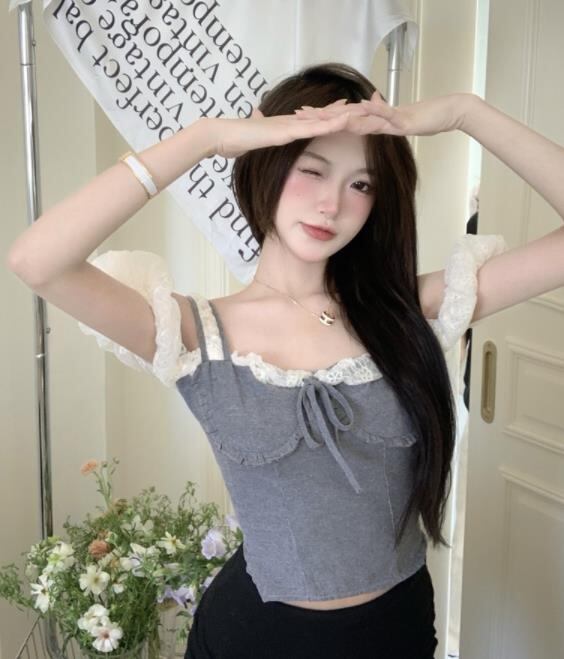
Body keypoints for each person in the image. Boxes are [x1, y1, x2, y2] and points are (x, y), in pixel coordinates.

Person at [6, 62, 564, 659]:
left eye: (361, 184)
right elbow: (38, 260)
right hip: (255, 637)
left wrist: (463, 112)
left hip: (396, 631)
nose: (332, 204)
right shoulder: (194, 333)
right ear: (268, 162)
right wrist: (207, 137)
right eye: (312, 170)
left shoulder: (408, 313)